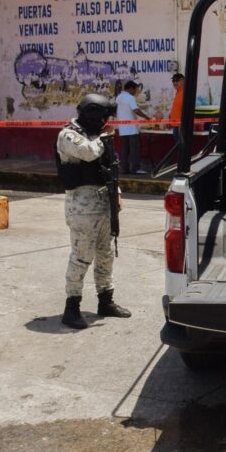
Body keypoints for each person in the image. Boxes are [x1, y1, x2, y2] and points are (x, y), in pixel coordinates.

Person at [56, 94, 131, 329]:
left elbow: (109, 167)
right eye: (103, 118)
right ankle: (72, 307)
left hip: (103, 205)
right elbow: (89, 152)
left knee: (106, 255)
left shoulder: (98, 136)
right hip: (82, 208)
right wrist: (105, 138)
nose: (105, 123)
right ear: (94, 116)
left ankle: (105, 300)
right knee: (81, 257)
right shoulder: (68, 135)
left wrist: (116, 192)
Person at [115, 80, 151, 174]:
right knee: (134, 149)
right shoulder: (130, 98)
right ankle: (135, 169)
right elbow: (136, 110)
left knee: (125, 150)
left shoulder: (119, 97)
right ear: (131, 89)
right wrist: (146, 117)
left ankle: (124, 169)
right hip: (131, 129)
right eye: (135, 90)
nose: (136, 92)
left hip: (122, 128)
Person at [169, 72, 184, 142]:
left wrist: (181, 124)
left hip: (180, 126)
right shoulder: (178, 92)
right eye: (173, 81)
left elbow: (185, 110)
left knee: (181, 148)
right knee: (178, 148)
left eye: (177, 80)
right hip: (176, 125)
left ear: (182, 81)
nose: (175, 82)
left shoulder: (184, 92)